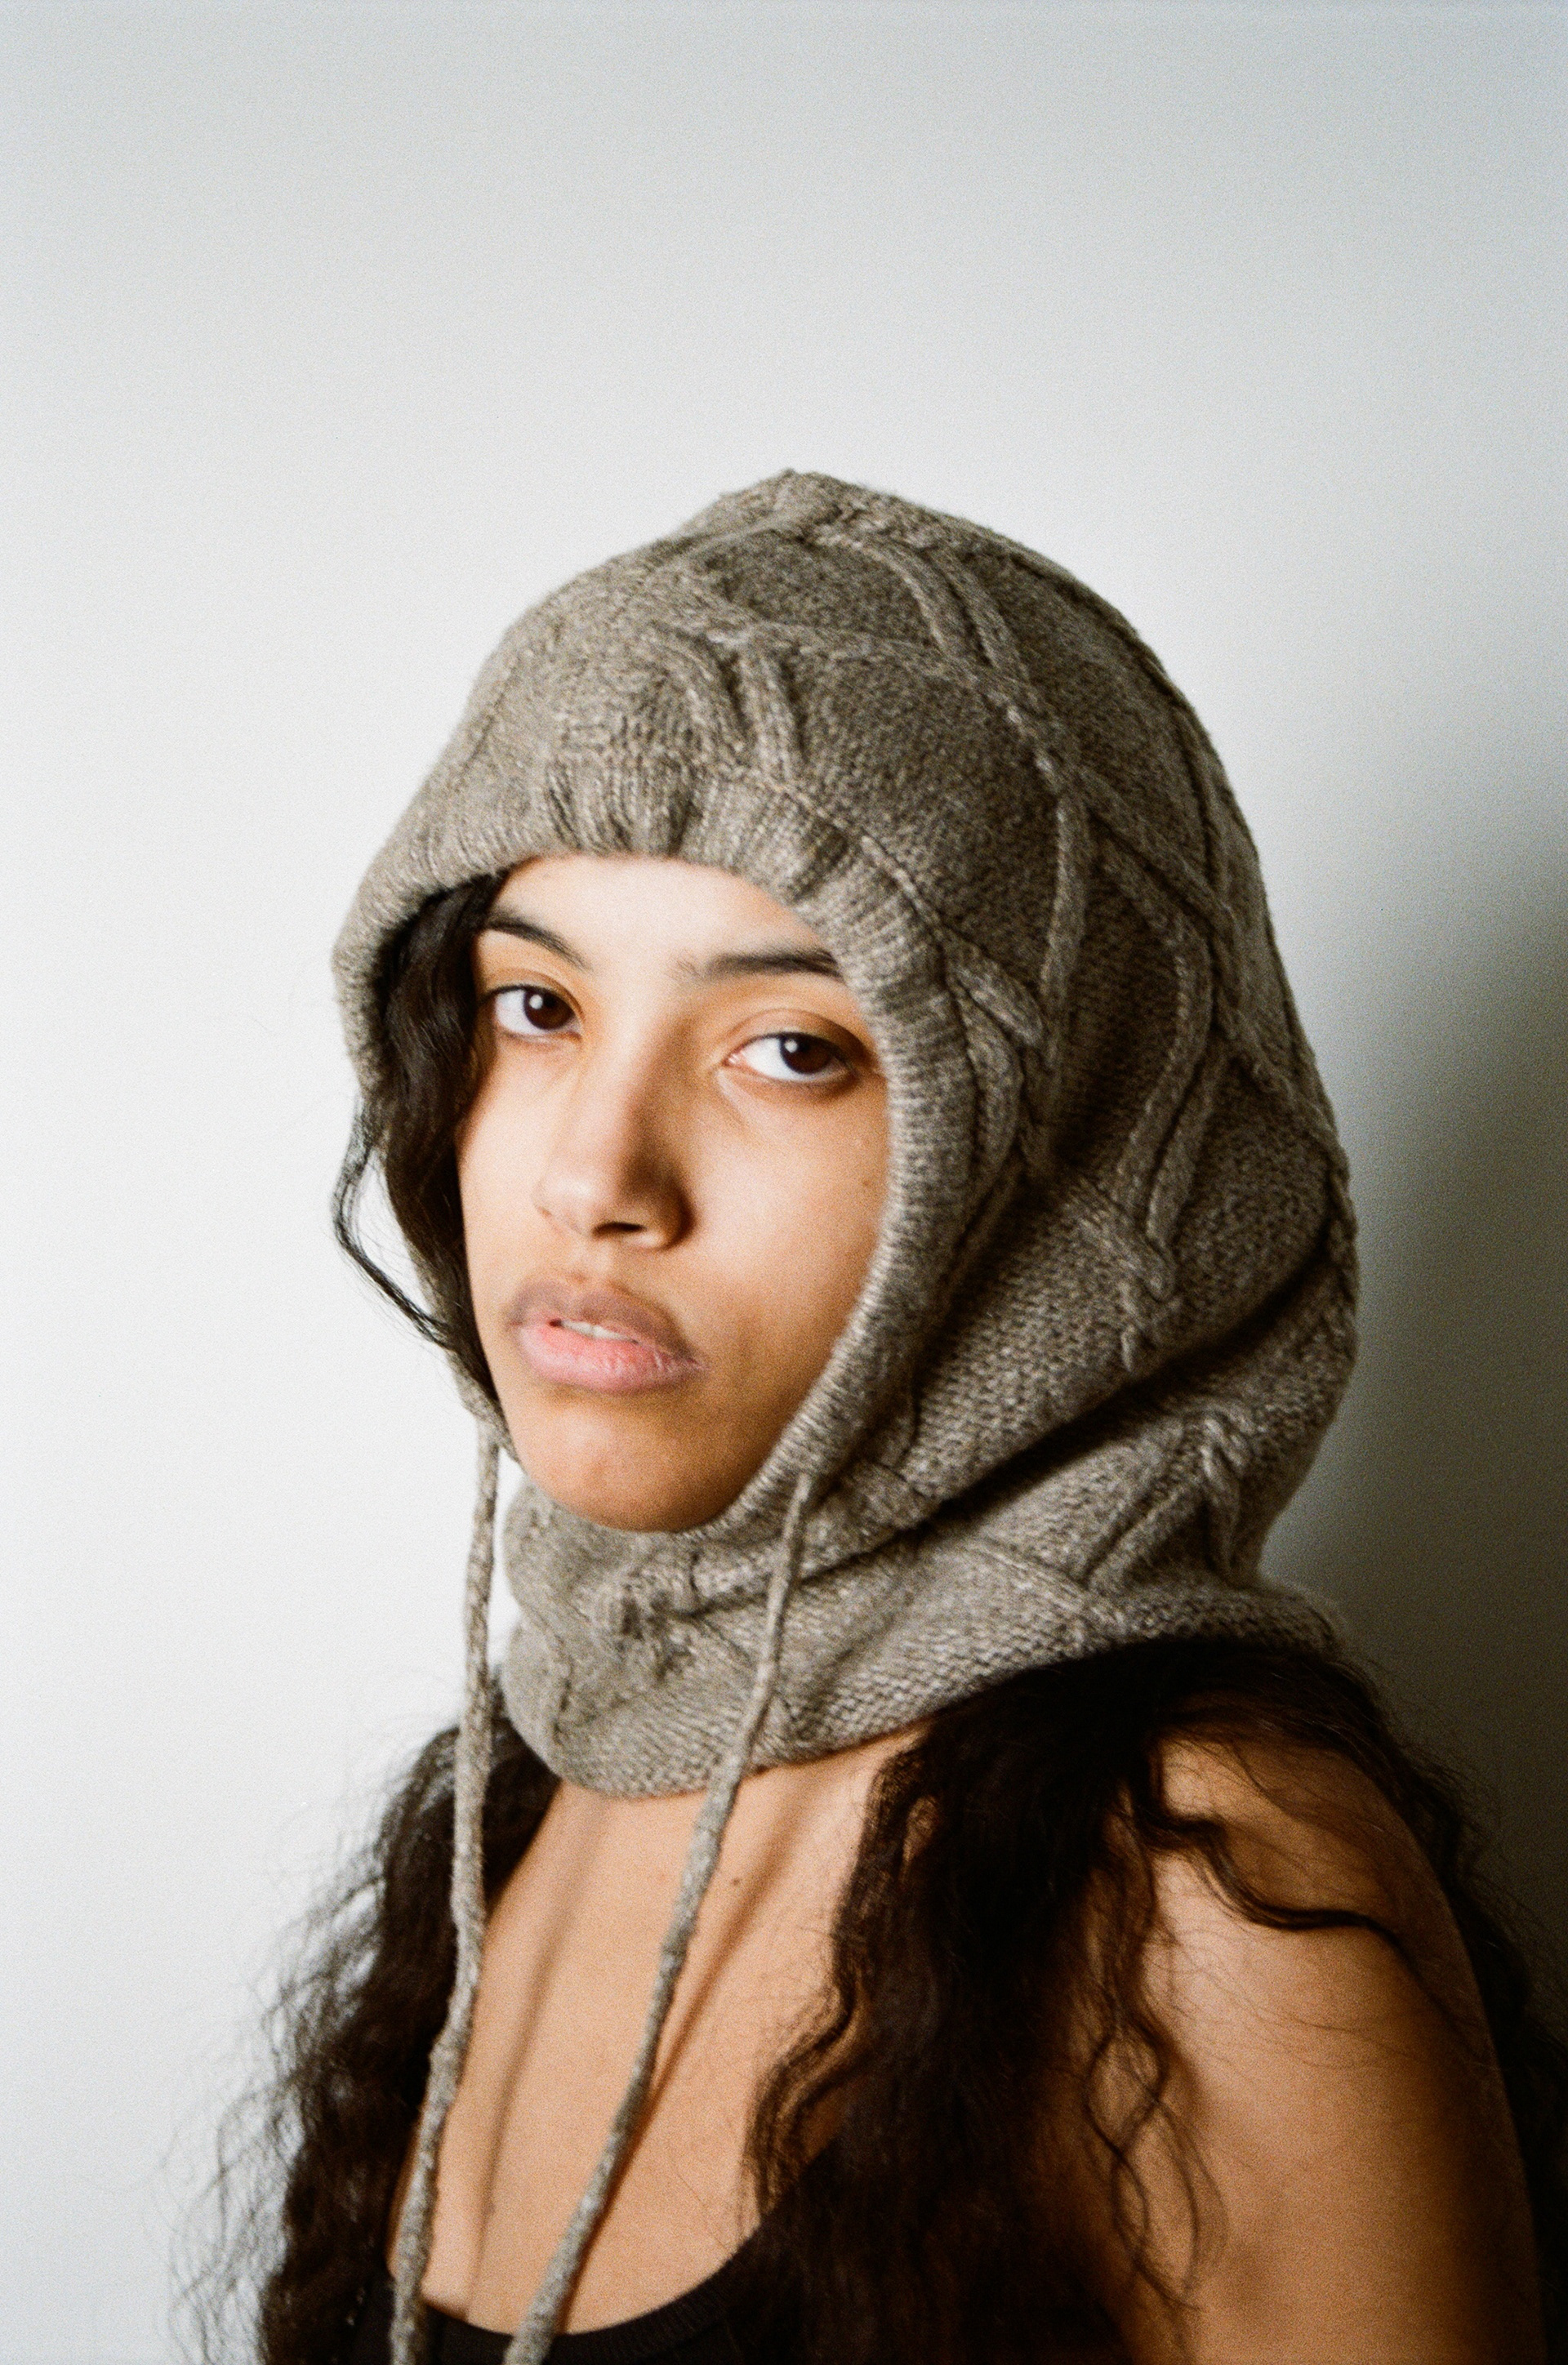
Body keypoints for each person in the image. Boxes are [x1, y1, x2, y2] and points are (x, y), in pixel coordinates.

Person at [208, 473, 1566, 2365]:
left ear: (1053, 1145)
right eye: (535, 1007)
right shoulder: (546, 1774)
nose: (594, 1175)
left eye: (791, 1049)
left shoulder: (1201, 1888)